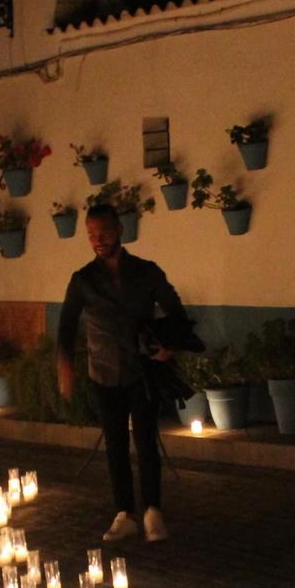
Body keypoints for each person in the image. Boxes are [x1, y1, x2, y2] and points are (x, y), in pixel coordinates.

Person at [57, 204, 192, 542]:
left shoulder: (146, 271)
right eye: (90, 235)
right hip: (103, 372)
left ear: (119, 229)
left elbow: (176, 310)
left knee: (146, 440)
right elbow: (67, 326)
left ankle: (153, 512)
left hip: (141, 370)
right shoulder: (83, 279)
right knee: (115, 444)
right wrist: (65, 365)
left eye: (102, 232)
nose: (97, 240)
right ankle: (124, 513)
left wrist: (169, 346)